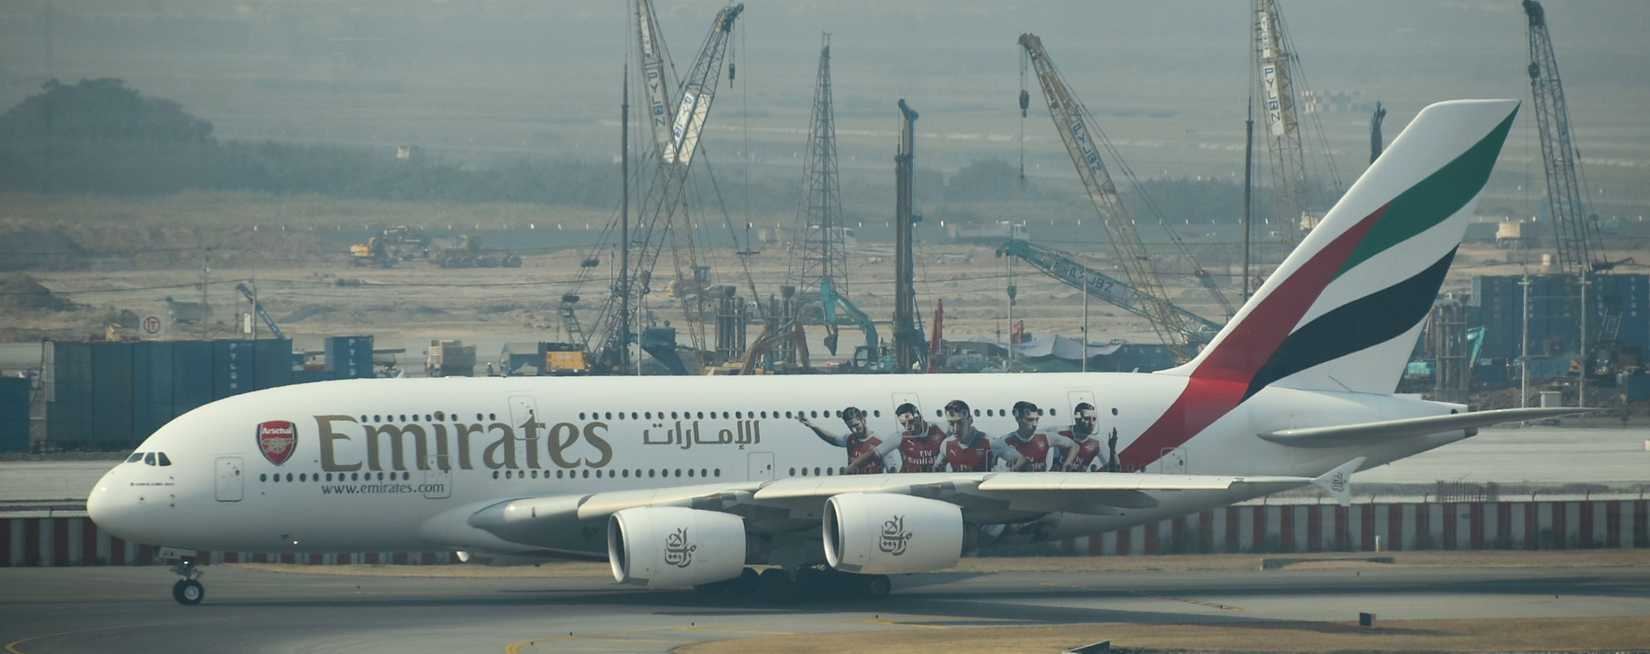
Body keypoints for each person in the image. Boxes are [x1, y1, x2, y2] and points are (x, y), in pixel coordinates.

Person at [798, 407, 896, 474]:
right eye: (850, 427)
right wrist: (813, 426)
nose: (854, 430)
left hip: (871, 488)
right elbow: (832, 438)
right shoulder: (850, 439)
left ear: (863, 420)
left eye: (856, 425)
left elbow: (892, 471)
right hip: (853, 487)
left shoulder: (879, 443)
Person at [994, 401, 1078, 472]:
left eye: (1037, 419)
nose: (1035, 424)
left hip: (1040, 485)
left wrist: (1067, 464)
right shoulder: (1006, 441)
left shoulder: (1045, 437)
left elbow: (1074, 446)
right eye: (1030, 420)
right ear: (1018, 419)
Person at [935, 399, 993, 472]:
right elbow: (936, 471)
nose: (955, 429)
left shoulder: (988, 442)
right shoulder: (946, 445)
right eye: (951, 423)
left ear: (970, 420)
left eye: (960, 423)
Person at [894, 402, 946, 473]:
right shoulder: (901, 437)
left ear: (919, 416)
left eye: (910, 422)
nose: (908, 427)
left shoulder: (941, 429)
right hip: (910, 479)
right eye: (903, 424)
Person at [1053, 402, 1106, 472]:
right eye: (1087, 418)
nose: (1091, 423)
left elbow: (1112, 468)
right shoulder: (1060, 433)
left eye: (1094, 419)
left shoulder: (1096, 442)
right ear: (1076, 419)